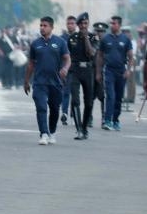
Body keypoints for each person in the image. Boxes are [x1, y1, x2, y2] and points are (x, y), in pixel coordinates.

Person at [23, 16, 70, 146]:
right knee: (41, 107)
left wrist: (65, 68)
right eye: (41, 25)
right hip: (39, 83)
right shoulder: (35, 44)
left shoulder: (60, 42)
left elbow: (67, 58)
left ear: (51, 27)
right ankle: (43, 133)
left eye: (45, 26)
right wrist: (26, 81)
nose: (42, 28)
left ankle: (52, 132)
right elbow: (31, 64)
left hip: (55, 82)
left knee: (55, 109)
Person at [96, 15, 134, 131]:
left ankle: (115, 120)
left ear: (119, 25)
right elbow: (100, 56)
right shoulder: (105, 39)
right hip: (109, 71)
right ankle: (107, 120)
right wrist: (98, 72)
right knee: (110, 96)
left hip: (121, 71)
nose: (112, 25)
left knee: (118, 97)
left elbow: (131, 57)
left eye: (114, 23)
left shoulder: (125, 39)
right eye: (111, 23)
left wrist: (128, 70)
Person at [67, 12, 96, 140]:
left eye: (86, 23)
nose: (84, 26)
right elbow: (67, 56)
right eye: (82, 24)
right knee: (75, 100)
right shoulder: (72, 38)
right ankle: (78, 129)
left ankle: (84, 129)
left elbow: (91, 53)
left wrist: (85, 39)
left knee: (89, 102)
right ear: (78, 25)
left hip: (88, 70)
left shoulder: (93, 37)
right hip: (75, 70)